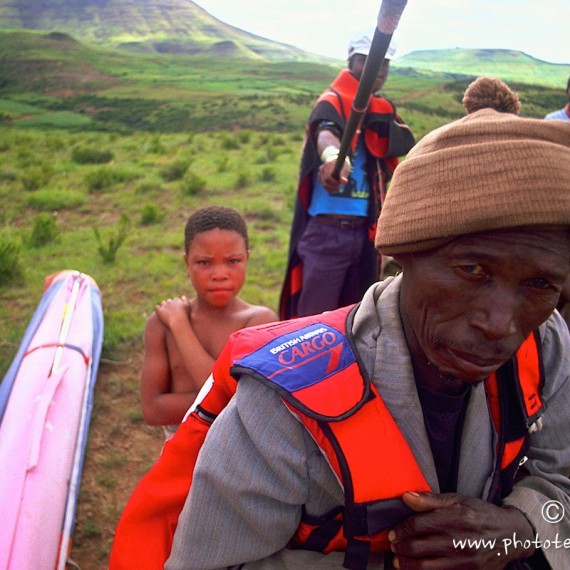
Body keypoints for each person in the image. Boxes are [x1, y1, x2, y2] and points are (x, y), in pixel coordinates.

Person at [165, 88, 570, 569]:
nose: (501, 325)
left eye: (540, 283)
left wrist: (522, 528)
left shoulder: (545, 346)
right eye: (473, 271)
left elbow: (559, 477)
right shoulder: (285, 403)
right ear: (403, 253)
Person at [279, 30, 415, 320]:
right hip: (327, 234)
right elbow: (326, 130)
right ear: (351, 61)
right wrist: (331, 157)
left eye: (384, 64)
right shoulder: (333, 101)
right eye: (367, 61)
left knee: (357, 320)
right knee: (313, 324)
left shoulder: (382, 111)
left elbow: (403, 141)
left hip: (366, 235)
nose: (378, 70)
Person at [139, 205, 277, 439]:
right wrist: (229, 399)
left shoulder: (259, 321)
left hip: (239, 447)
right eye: (204, 263)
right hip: (181, 453)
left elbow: (240, 402)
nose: (219, 274)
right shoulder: (161, 325)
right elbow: (152, 410)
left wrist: (181, 327)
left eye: (233, 261)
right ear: (187, 263)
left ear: (247, 259)